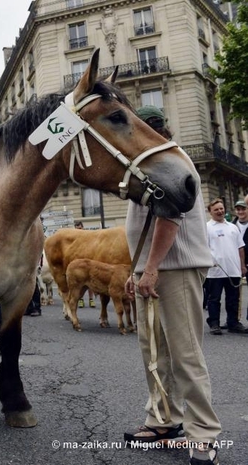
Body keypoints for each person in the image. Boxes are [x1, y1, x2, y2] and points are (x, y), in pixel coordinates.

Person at [123, 106, 220, 465]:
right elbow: (143, 224)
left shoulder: (172, 162)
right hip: (152, 270)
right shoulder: (148, 163)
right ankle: (163, 420)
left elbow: (169, 219)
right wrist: (135, 270)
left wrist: (149, 270)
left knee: (185, 354)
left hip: (174, 269)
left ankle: (204, 433)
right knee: (155, 353)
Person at [205, 198, 247, 334]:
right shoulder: (207, 227)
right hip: (215, 271)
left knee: (233, 298)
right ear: (210, 212)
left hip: (233, 269)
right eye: (216, 209)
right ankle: (214, 324)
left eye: (221, 208)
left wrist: (242, 266)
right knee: (214, 298)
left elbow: (240, 248)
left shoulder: (233, 227)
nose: (220, 211)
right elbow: (203, 248)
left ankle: (233, 323)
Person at [231, 197, 248, 327]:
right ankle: (233, 321)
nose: (241, 211)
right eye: (238, 209)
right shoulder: (231, 225)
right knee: (234, 293)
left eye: (243, 209)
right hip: (236, 262)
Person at [74, 221, 96, 308]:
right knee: (80, 283)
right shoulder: (75, 239)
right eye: (77, 229)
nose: (79, 230)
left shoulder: (88, 236)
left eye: (80, 228)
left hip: (88, 261)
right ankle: (81, 299)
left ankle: (91, 299)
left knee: (90, 282)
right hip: (79, 262)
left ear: (82, 227)